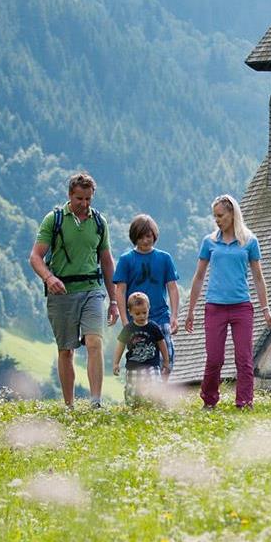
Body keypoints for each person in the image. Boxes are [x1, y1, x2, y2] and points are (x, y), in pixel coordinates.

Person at [28, 172, 121, 408]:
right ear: (70, 195)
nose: (84, 204)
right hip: (62, 292)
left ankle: (95, 402)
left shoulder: (99, 222)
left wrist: (113, 301)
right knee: (66, 350)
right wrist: (49, 278)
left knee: (94, 342)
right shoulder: (54, 219)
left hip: (92, 289)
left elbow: (107, 261)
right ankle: (69, 404)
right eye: (80, 199)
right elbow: (35, 257)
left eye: (88, 199)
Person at [183, 194, 271, 409]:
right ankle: (209, 401)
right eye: (215, 216)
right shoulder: (209, 242)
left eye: (220, 215)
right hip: (214, 307)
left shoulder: (249, 241)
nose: (217, 220)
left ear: (232, 214)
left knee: (244, 358)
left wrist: (266, 310)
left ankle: (245, 402)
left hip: (241, 307)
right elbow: (199, 276)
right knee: (214, 358)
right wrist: (190, 311)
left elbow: (258, 277)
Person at [112, 214, 181, 366]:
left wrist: (174, 316)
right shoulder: (126, 260)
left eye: (149, 236)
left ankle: (161, 389)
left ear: (154, 235)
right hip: (137, 319)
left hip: (161, 316)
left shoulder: (165, 258)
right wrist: (125, 320)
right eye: (141, 237)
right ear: (134, 237)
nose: (145, 241)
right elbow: (120, 291)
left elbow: (173, 288)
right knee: (140, 359)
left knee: (167, 357)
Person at [111, 292, 171, 406]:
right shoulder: (128, 329)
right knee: (134, 393)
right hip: (133, 367)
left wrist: (166, 361)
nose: (142, 316)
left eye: (144, 312)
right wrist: (116, 363)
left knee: (155, 384)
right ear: (130, 312)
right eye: (137, 313)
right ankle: (133, 405)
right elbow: (120, 345)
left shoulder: (153, 327)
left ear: (149, 308)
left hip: (151, 365)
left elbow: (162, 343)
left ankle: (157, 404)